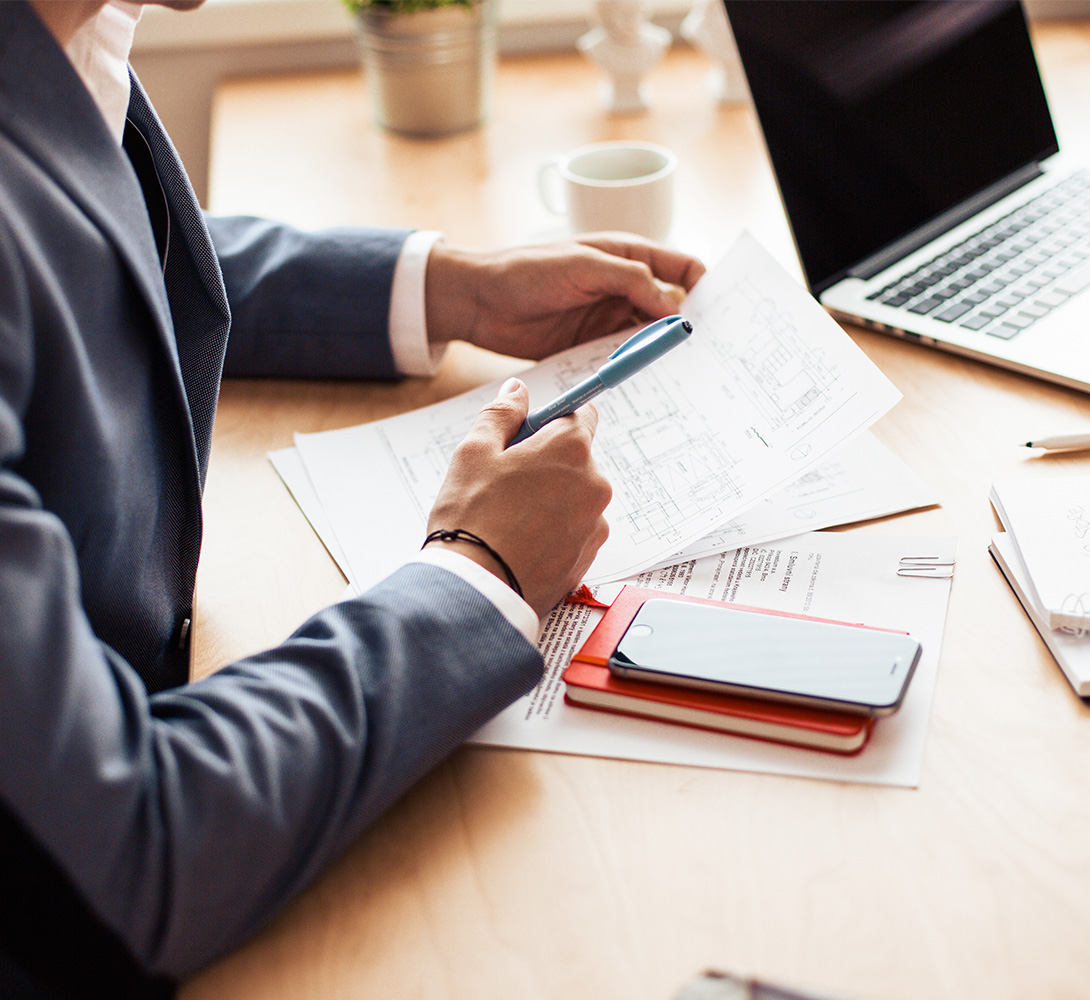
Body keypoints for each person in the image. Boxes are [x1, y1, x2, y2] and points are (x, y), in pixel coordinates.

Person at [0, 1, 706, 997]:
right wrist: (480, 572)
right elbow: (129, 847)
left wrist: (454, 289)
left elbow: (96, 256)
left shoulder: (62, 38)